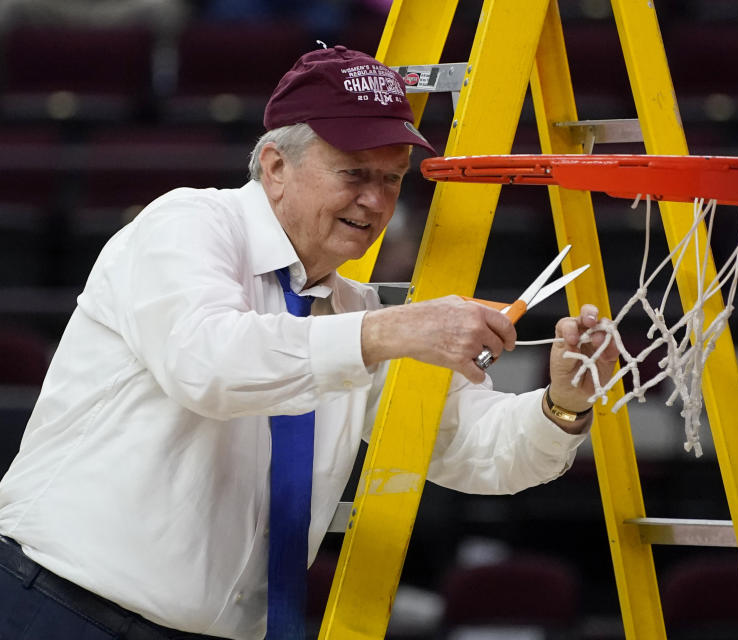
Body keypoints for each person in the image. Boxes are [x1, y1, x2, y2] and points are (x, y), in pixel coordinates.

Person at [0, 45, 618, 640]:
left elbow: (470, 447)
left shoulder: (352, 313)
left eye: (392, 179)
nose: (376, 201)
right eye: (354, 173)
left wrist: (562, 403)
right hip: (56, 607)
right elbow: (211, 365)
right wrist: (394, 329)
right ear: (274, 167)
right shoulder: (185, 223)